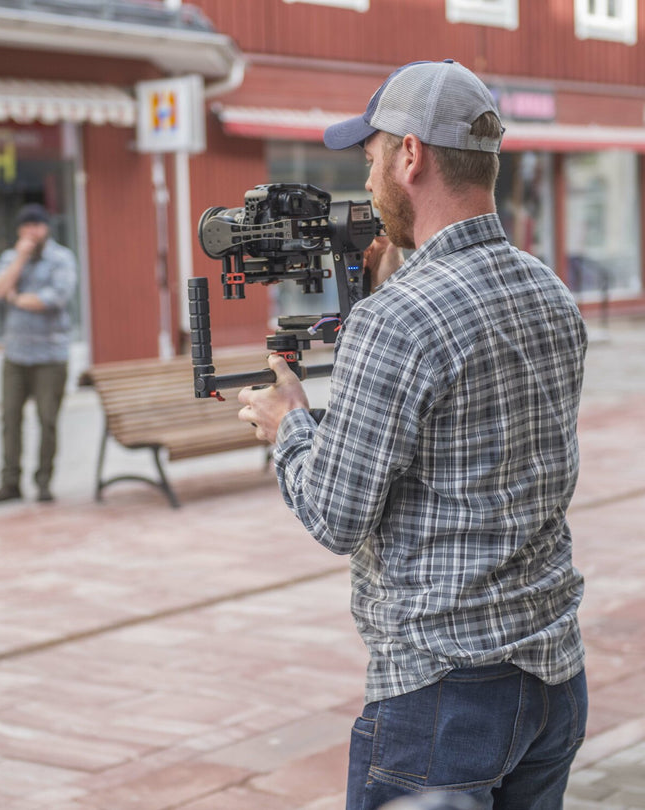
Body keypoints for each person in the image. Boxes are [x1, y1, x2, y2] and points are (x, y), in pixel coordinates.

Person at [235, 60, 588, 809]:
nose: (364, 188)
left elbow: (335, 513)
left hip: (442, 694)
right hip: (554, 673)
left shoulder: (396, 319)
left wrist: (289, 422)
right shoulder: (549, 290)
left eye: (369, 161)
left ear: (410, 155)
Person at [0, 203, 78, 505]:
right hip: (16, 354)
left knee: (47, 420)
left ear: (46, 228)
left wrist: (19, 299)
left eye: (36, 226)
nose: (31, 232)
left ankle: (44, 482)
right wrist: (20, 259)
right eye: (26, 227)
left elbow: (56, 297)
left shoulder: (61, 258)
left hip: (50, 354)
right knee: (10, 419)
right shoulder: (10, 258)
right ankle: (10, 482)